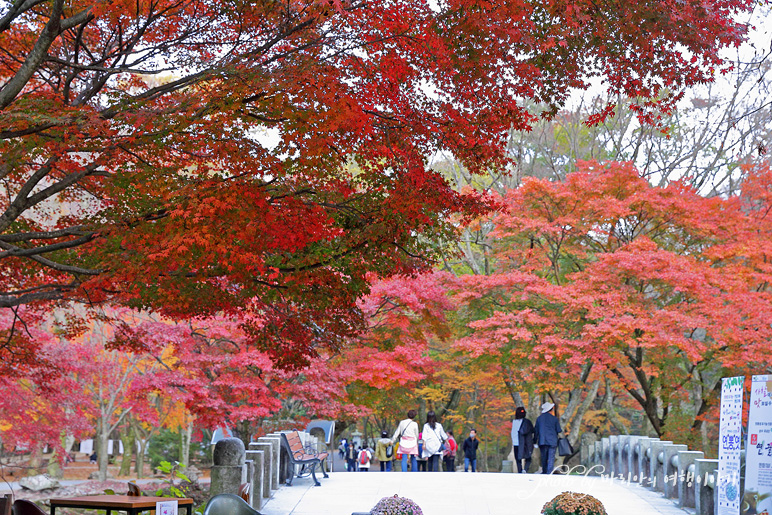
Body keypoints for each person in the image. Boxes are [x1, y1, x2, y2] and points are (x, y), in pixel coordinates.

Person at [534, 402, 562, 474]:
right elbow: (559, 430)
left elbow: (536, 431)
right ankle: (549, 472)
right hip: (552, 441)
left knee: (544, 457)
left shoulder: (539, 419)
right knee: (551, 457)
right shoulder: (554, 419)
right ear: (551, 409)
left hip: (542, 441)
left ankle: (544, 471)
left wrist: (534, 441)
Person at [512, 407, 535, 473]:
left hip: (516, 443)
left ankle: (520, 470)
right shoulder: (527, 422)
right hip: (525, 443)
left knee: (517, 458)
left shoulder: (514, 422)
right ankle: (525, 469)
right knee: (528, 457)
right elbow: (533, 430)